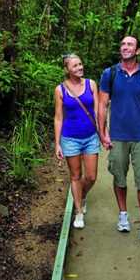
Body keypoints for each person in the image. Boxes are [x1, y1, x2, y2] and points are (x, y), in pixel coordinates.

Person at [97, 36, 140, 247]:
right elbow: (102, 105)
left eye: (130, 45)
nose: (125, 47)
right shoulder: (110, 74)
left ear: (138, 51)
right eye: (123, 44)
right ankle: (123, 213)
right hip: (117, 136)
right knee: (119, 177)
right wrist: (102, 133)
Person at [54, 53, 100, 229]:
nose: (79, 68)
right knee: (75, 176)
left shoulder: (91, 84)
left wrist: (102, 133)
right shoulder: (60, 90)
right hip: (70, 138)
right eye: (75, 66)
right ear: (67, 69)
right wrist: (57, 143)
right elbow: (58, 117)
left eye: (80, 64)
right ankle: (78, 211)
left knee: (91, 176)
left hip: (90, 137)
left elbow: (96, 112)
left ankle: (82, 195)